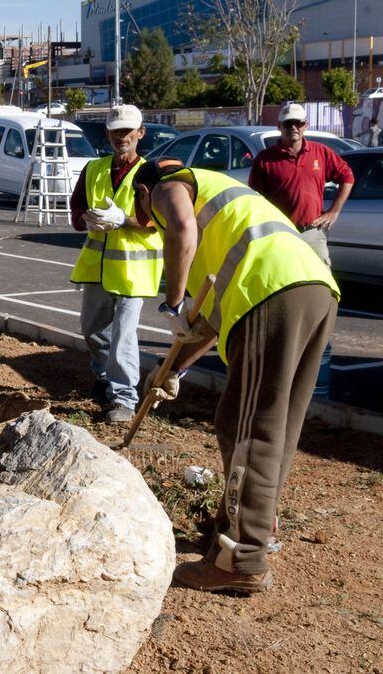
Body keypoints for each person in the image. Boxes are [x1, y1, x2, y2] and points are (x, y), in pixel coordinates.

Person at [131, 158, 339, 594]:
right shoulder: (226, 207)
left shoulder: (171, 184)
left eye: (147, 217)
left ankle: (241, 558)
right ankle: (251, 526)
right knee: (277, 426)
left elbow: (181, 230)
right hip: (314, 288)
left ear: (145, 193)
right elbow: (207, 321)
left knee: (245, 426)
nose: (153, 225)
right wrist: (173, 371)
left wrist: (171, 304)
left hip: (272, 288)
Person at [68, 104, 165, 423]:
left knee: (123, 335)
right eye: (116, 131)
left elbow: (159, 220)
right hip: (97, 268)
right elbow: (76, 210)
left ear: (140, 133)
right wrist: (87, 219)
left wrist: (125, 220)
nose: (121, 137)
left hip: (134, 271)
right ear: (108, 133)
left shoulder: (152, 173)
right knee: (93, 331)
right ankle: (104, 378)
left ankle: (124, 399)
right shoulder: (94, 170)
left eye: (128, 131)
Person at [248, 103, 354, 265]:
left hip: (312, 232)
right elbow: (255, 199)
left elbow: (347, 176)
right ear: (279, 127)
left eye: (299, 123)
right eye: (288, 123)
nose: (294, 127)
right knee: (283, 283)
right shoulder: (264, 159)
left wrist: (334, 211)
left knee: (322, 284)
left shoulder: (321, 152)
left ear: (306, 126)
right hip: (280, 234)